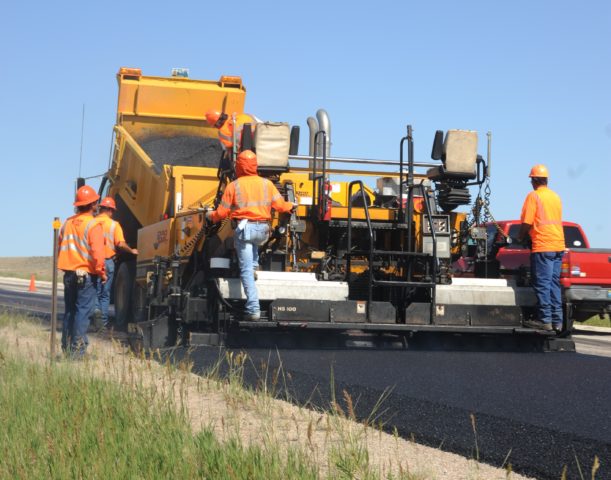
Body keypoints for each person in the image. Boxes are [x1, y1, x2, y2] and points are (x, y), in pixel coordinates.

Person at [205, 150, 295, 321]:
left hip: (245, 230)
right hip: (262, 231)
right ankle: (254, 268)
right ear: (255, 166)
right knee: (252, 257)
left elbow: (222, 213)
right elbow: (281, 206)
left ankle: (253, 308)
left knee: (245, 269)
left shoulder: (234, 186)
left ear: (238, 166)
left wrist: (210, 215)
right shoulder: (267, 184)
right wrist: (291, 205)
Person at [58, 185, 106, 357]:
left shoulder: (67, 223)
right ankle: (77, 352)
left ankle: (67, 347)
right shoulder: (93, 225)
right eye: (96, 202)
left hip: (69, 274)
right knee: (82, 313)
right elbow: (98, 253)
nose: (97, 205)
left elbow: (60, 246)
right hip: (85, 277)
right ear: (92, 205)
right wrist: (101, 272)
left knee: (70, 312)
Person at [517, 164, 565, 332]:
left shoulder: (534, 196)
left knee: (542, 284)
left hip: (543, 246)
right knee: (553, 284)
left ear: (535, 180)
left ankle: (545, 320)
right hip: (558, 245)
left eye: (531, 180)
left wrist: (520, 237)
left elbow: (527, 222)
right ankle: (558, 321)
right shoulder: (555, 196)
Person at [92, 196, 139, 329]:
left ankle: (95, 317)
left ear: (101, 208)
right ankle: (102, 323)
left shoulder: (92, 222)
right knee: (105, 294)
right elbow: (120, 244)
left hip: (94, 262)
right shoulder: (114, 225)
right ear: (110, 210)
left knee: (95, 291)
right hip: (108, 262)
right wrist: (131, 251)